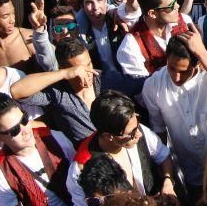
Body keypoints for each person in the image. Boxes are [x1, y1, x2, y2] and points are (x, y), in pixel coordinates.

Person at [141, 30, 207, 198]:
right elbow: (158, 129)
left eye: (184, 71)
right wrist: (167, 175)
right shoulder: (153, 85)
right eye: (171, 68)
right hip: (192, 173)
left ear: (197, 64)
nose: (176, 77)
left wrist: (204, 55)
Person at [66, 91, 177, 206]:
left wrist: (168, 182)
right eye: (130, 134)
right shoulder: (81, 169)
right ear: (109, 136)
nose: (139, 134)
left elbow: (163, 156)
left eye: (137, 123)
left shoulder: (137, 130)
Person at [10, 38, 145, 146]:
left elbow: (144, 84)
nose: (89, 72)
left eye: (89, 64)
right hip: (86, 161)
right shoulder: (57, 92)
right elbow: (17, 91)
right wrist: (63, 74)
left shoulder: (106, 79)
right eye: (80, 69)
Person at [116, 0, 194, 77]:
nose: (178, 6)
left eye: (176, 0)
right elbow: (143, 87)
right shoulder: (131, 46)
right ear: (152, 13)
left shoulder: (185, 22)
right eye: (171, 6)